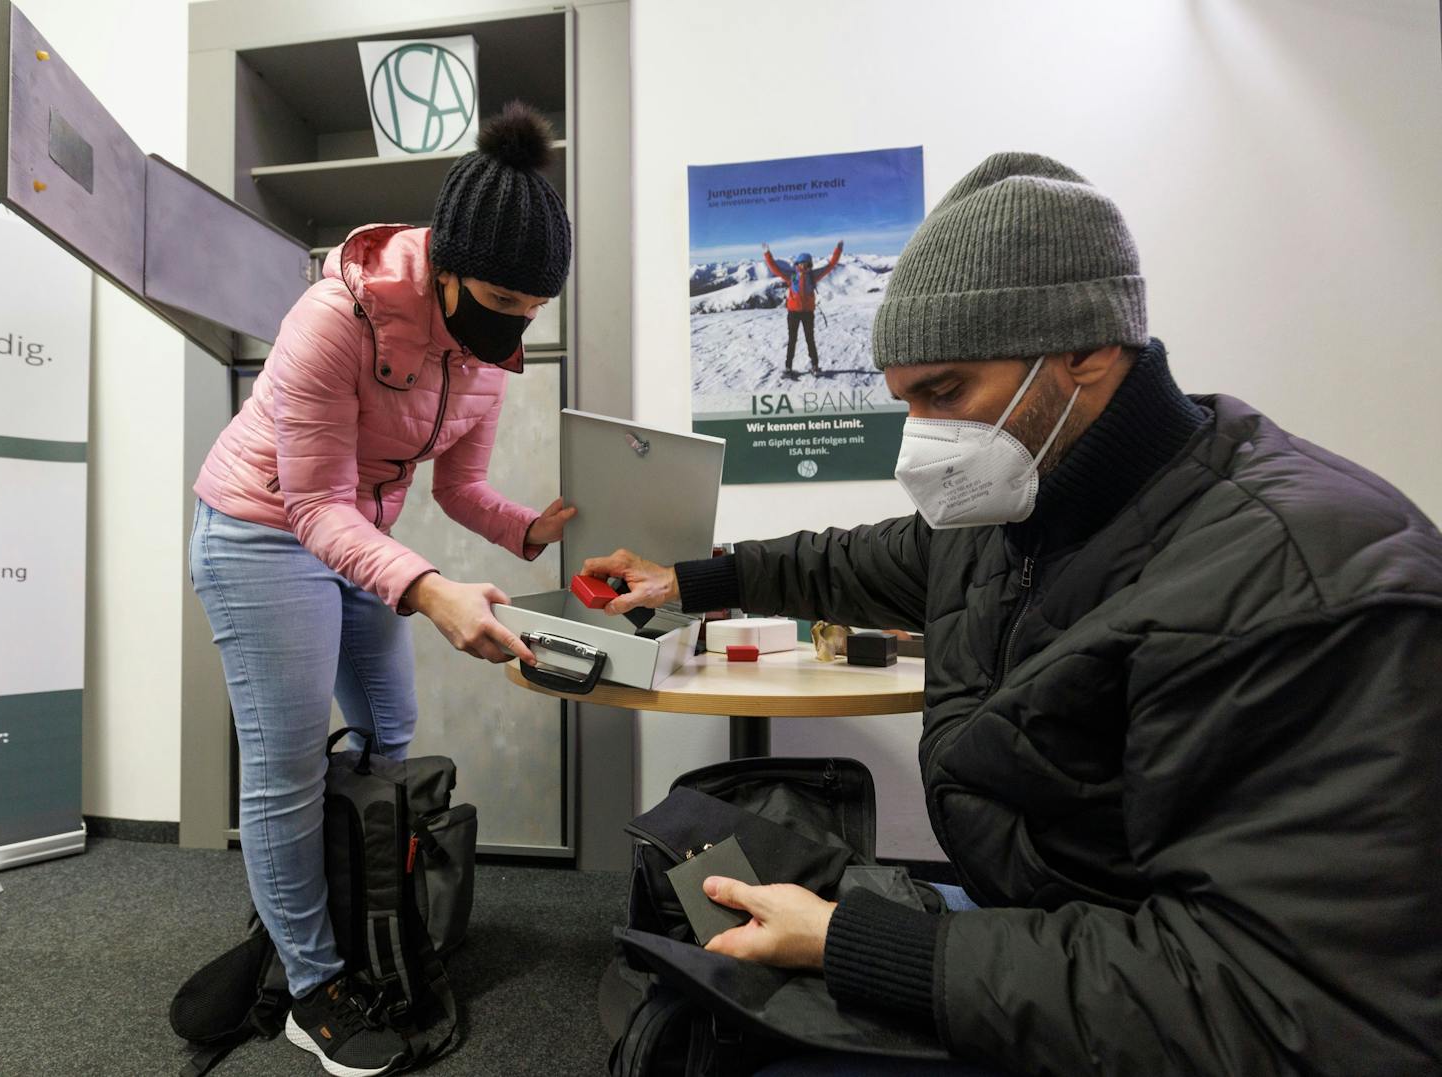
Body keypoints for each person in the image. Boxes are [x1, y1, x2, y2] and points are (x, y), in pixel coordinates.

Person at [586, 153, 1442, 1076]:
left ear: (1086, 351)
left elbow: (1281, 1009)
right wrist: (685, 581)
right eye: (905, 401)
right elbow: (844, 559)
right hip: (1036, 930)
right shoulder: (1014, 504)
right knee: (696, 911)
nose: (921, 441)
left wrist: (861, 946)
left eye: (945, 393)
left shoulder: (1302, 590)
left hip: (1140, 1005)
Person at [189, 103, 573, 1077]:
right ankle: (312, 990)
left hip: (358, 534)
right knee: (285, 770)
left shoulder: (485, 349)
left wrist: (528, 529)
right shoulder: (331, 321)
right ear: (441, 267)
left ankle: (333, 914)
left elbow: (458, 488)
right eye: (496, 298)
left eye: (532, 312)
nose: (511, 327)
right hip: (263, 531)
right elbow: (312, 505)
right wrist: (429, 591)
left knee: (387, 735)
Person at [764, 240, 842, 374]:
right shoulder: (792, 276)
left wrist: (838, 250)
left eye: (807, 264)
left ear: (810, 265)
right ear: (797, 264)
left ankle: (815, 366)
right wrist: (767, 253)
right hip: (793, 313)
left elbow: (831, 265)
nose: (804, 266)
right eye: (802, 264)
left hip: (808, 313)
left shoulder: (813, 275)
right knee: (792, 340)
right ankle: (788, 367)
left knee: (810, 340)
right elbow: (774, 268)